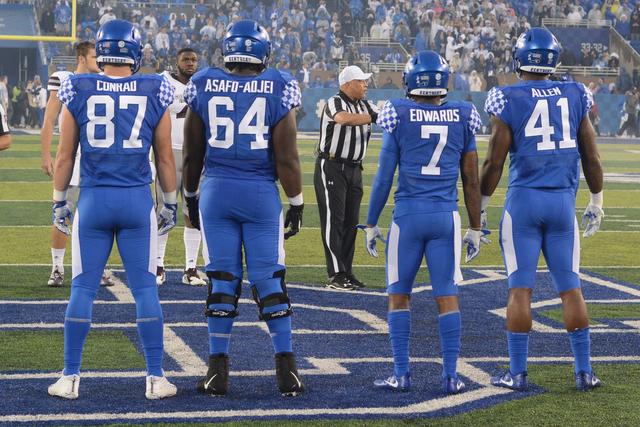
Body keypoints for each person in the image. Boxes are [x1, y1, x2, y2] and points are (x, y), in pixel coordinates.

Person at [47, 19, 178, 400]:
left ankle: (70, 377)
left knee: (83, 288)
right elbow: (165, 158)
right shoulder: (156, 87)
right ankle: (156, 378)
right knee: (145, 289)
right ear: (135, 51)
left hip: (94, 200)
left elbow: (65, 155)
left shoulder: (78, 86)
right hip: (137, 201)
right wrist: (170, 202)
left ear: (101, 50)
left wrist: (59, 200)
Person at [182, 19, 305, 397]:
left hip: (217, 192)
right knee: (269, 278)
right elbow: (287, 157)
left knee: (222, 278)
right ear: (263, 53)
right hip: (259, 193)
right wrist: (296, 201)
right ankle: (287, 370)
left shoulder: (203, 82)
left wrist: (190, 197)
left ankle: (217, 371)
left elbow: (192, 154)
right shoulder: (279, 85)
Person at [481, 27, 604, 392]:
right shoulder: (575, 92)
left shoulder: (506, 97)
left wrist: (481, 206)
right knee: (571, 288)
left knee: (520, 289)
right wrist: (597, 200)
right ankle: (584, 372)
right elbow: (591, 156)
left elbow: (494, 162)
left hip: (524, 203)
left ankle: (517, 374)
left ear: (519, 59)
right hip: (562, 204)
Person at [364, 51, 485, 394]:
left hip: (408, 217)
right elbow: (471, 180)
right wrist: (475, 226)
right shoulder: (463, 114)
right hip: (446, 217)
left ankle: (401, 373)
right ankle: (450, 376)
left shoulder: (398, 112)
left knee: (398, 295)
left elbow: (384, 176)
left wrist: (371, 222)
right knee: (447, 295)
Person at [40, 42, 113, 288]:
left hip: (97, 158)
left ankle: (98, 268)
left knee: (99, 216)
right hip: (71, 156)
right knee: (62, 213)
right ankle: (57, 268)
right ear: (81, 58)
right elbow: (49, 120)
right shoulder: (64, 79)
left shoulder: (105, 80)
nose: (99, 61)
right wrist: (46, 155)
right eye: (94, 57)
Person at [314, 65, 379, 290]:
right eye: (361, 81)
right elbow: (343, 119)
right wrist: (373, 117)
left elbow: (379, 117)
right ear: (347, 84)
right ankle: (336, 273)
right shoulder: (335, 101)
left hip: (355, 169)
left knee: (351, 222)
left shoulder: (364, 105)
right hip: (332, 166)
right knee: (334, 220)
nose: (365, 85)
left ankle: (347, 271)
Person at [154, 47, 206, 286]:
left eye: (194, 60)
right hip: (170, 152)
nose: (190, 63)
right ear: (176, 62)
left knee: (192, 212)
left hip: (196, 154)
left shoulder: (202, 84)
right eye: (186, 59)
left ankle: (191, 268)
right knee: (163, 210)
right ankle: (158, 265)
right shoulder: (163, 82)